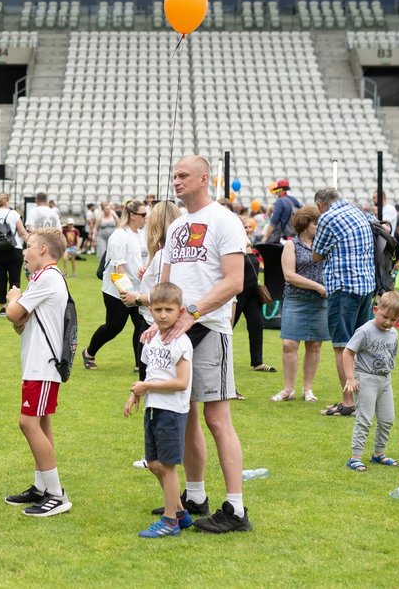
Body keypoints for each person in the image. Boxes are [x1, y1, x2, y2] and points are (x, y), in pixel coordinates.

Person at [144, 155, 251, 534]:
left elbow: (234, 280)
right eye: (174, 175)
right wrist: (158, 324)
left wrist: (191, 312)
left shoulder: (224, 220)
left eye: (183, 175)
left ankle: (236, 510)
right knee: (184, 416)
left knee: (217, 418)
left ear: (205, 179)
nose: (176, 181)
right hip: (178, 333)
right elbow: (166, 289)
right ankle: (194, 496)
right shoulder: (176, 229)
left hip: (210, 328)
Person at [3, 227, 72, 517]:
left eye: (29, 246)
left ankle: (56, 494)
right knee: (41, 423)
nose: (25, 252)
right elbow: (22, 325)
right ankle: (42, 485)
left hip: (42, 364)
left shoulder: (46, 277)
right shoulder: (45, 278)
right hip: (39, 362)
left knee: (28, 422)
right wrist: (19, 306)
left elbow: (13, 314)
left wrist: (13, 298)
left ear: (43, 249)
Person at [122, 282, 193, 538]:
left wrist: (146, 386)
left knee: (167, 465)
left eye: (169, 310)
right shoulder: (152, 339)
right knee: (153, 463)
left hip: (172, 412)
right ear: (150, 310)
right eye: (158, 309)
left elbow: (182, 382)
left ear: (180, 311)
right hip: (153, 408)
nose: (163, 315)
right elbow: (148, 373)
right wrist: (135, 395)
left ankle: (170, 521)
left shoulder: (181, 343)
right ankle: (182, 513)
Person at [312, 188, 375, 418]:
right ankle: (365, 399)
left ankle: (348, 401)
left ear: (320, 204)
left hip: (343, 287)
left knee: (342, 346)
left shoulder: (328, 217)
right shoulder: (359, 211)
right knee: (361, 345)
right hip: (366, 286)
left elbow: (317, 255)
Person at [80, 200, 148, 372]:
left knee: (140, 324)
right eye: (143, 215)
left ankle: (139, 363)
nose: (146, 218)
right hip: (117, 290)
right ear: (133, 216)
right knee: (114, 326)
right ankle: (88, 353)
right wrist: (126, 294)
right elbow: (119, 268)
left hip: (138, 288)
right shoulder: (119, 236)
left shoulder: (141, 234)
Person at [343, 291, 399, 472]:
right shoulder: (364, 331)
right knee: (365, 418)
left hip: (385, 380)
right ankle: (355, 458)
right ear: (376, 309)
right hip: (365, 379)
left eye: (393, 319)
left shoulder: (393, 333)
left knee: (387, 419)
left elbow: (391, 355)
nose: (387, 322)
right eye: (384, 317)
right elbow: (348, 352)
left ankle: (379, 454)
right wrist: (350, 378)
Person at [272, 205, 328, 403]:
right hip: (296, 300)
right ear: (305, 224)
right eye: (316, 223)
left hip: (320, 303)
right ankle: (288, 389)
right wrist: (318, 287)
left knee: (314, 345)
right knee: (289, 344)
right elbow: (290, 276)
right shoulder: (290, 245)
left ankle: (308, 389)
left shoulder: (324, 244)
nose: (319, 226)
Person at [121, 201, 180, 382]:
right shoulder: (166, 253)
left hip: (155, 327)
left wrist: (136, 298)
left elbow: (164, 296)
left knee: (152, 387)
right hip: (158, 326)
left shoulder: (164, 255)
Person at [233, 215, 275, 374]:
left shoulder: (251, 246)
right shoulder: (236, 245)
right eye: (245, 227)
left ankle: (258, 362)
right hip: (239, 293)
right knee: (228, 327)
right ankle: (221, 358)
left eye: (250, 227)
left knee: (256, 326)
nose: (248, 230)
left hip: (253, 294)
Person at [0, 193, 29, 317]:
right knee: (15, 278)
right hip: (15, 249)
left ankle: (2, 307)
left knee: (1, 279)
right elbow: (22, 232)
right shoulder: (13, 214)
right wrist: (31, 245)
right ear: (7, 201)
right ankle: (13, 305)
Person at [261, 179, 301, 244]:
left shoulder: (280, 201)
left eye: (278, 190)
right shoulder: (295, 201)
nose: (277, 193)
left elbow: (273, 222)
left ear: (281, 190)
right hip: (297, 238)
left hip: (285, 239)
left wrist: (265, 237)